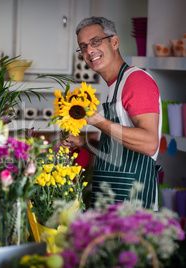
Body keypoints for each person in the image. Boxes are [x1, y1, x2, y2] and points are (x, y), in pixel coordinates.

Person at [62, 17, 162, 209]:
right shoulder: (114, 87)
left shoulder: (136, 81)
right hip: (110, 200)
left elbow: (149, 144)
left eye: (95, 41)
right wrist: (85, 143)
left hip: (133, 205)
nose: (89, 50)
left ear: (114, 42)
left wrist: (97, 121)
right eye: (83, 47)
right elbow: (117, 151)